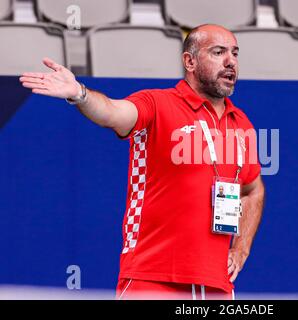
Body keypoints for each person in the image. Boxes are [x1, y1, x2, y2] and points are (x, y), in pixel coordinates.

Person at [19, 24, 265, 300]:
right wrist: (80, 94)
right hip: (152, 280)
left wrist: (241, 249)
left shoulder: (241, 123)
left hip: (217, 285)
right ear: (190, 61)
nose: (230, 61)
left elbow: (252, 189)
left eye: (234, 53)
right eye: (218, 52)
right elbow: (112, 112)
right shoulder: (157, 104)